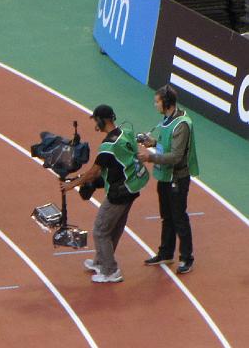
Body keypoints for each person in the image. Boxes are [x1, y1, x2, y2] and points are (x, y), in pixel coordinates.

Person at [60, 105, 149, 283]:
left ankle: (110, 271)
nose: (95, 124)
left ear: (103, 120)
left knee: (100, 231)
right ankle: (101, 262)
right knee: (113, 228)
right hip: (132, 186)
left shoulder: (108, 146)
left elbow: (94, 171)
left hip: (120, 192)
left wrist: (73, 184)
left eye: (96, 120)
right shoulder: (125, 132)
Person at [137, 85, 199, 274]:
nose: (155, 104)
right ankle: (166, 252)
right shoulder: (168, 119)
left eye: (157, 101)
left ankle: (186, 257)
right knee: (167, 216)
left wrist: (150, 156)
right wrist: (153, 143)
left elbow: (176, 156)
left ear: (167, 103)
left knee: (179, 217)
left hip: (177, 178)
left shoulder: (182, 124)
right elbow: (167, 144)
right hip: (165, 175)